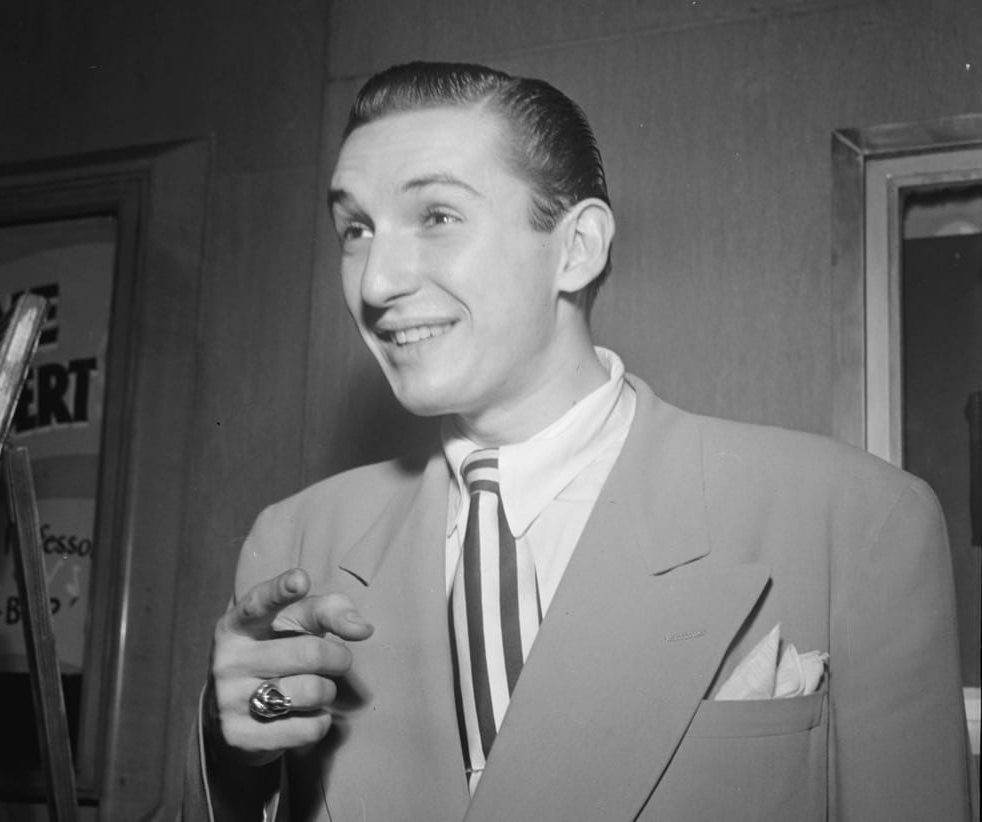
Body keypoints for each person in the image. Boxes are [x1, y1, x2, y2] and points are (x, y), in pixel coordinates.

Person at [183, 62, 972, 821]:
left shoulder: (857, 520)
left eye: (436, 216)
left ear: (577, 247)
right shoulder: (296, 541)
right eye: (356, 228)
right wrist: (234, 750)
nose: (375, 282)